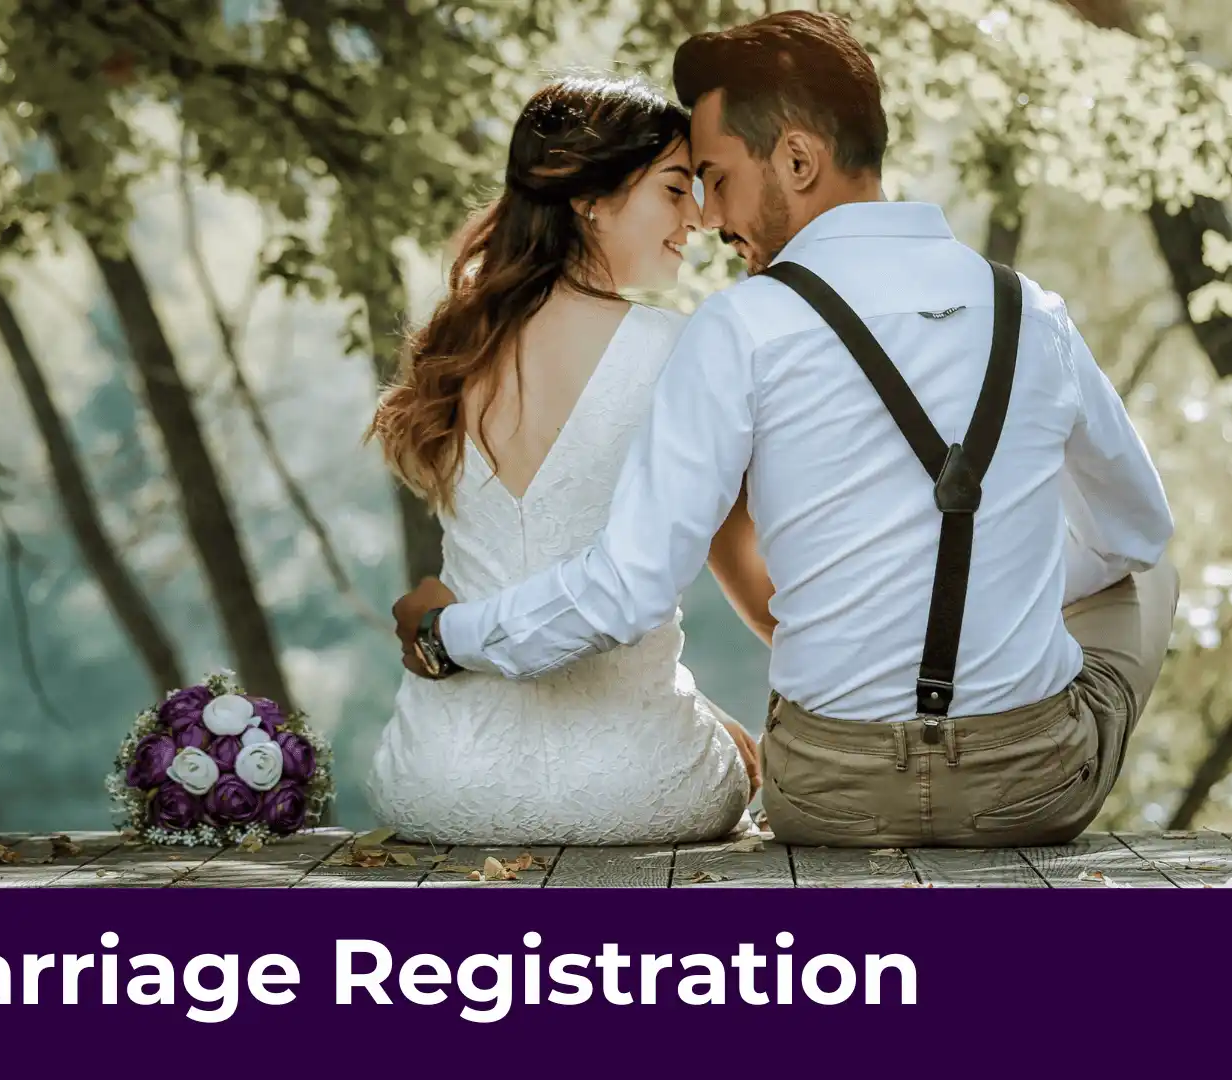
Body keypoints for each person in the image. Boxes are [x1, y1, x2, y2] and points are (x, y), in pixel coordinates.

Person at [397, 11, 1181, 848]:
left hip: (827, 796)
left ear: (798, 160)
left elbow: (627, 587)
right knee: (1147, 569)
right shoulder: (1033, 314)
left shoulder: (738, 328)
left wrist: (450, 633)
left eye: (716, 176)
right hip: (1030, 787)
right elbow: (1135, 530)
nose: (708, 215)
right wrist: (1003, 587)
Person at [362, 75, 766, 846]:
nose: (700, 217)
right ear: (589, 197)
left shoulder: (455, 349)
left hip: (437, 781)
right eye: (675, 189)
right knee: (738, 763)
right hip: (636, 787)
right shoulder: (679, 349)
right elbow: (742, 582)